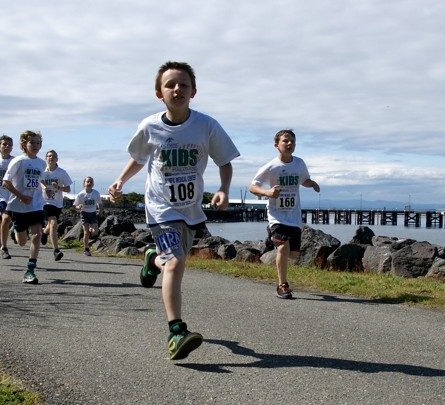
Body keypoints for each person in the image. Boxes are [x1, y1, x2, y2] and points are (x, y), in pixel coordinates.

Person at [109, 61, 240, 360]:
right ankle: (176, 331)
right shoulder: (149, 126)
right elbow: (140, 159)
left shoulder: (206, 125)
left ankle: (151, 260)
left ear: (194, 91)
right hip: (160, 209)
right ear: (159, 93)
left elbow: (225, 162)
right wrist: (119, 180)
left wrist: (224, 189)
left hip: (191, 210)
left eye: (183, 84)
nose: (177, 89)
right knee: (177, 264)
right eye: (170, 84)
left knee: (170, 262)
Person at [248, 129, 320, 299]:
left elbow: (304, 180)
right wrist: (267, 193)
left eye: (292, 141)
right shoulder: (271, 166)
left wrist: (313, 184)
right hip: (276, 215)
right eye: (285, 141)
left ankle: (276, 252)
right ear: (277, 145)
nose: (289, 144)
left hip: (294, 216)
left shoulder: (299, 163)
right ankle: (282, 285)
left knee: (293, 255)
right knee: (283, 247)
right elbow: (252, 186)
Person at [2, 130, 47, 284]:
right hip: (19, 205)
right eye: (32, 142)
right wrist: (21, 196)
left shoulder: (42, 163)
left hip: (36, 205)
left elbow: (40, 180)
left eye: (38, 143)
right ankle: (16, 229)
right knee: (22, 241)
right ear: (24, 145)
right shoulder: (18, 161)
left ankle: (30, 270)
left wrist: (46, 188)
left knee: (37, 235)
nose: (35, 145)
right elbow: (5, 182)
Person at [40, 150, 72, 261]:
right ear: (46, 158)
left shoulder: (61, 172)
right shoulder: (42, 171)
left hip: (57, 203)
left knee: (50, 225)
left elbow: (68, 188)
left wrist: (58, 187)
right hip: (45, 202)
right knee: (53, 222)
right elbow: (39, 180)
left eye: (53, 156)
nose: (51, 158)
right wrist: (45, 188)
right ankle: (56, 250)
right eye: (49, 156)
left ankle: (44, 232)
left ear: (57, 159)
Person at [74, 176, 101, 256]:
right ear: (84, 183)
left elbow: (100, 203)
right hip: (84, 214)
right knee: (86, 233)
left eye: (91, 182)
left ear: (93, 184)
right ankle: (86, 249)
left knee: (94, 232)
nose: (89, 183)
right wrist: (78, 207)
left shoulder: (96, 193)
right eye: (87, 181)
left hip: (93, 214)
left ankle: (90, 229)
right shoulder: (81, 194)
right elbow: (75, 205)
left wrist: (100, 211)